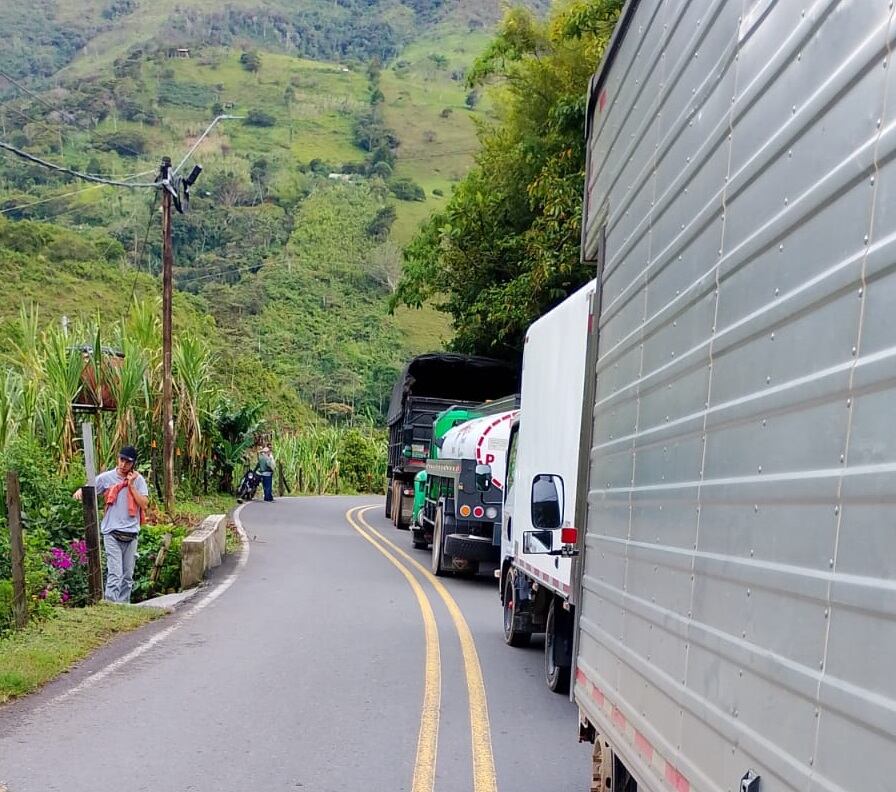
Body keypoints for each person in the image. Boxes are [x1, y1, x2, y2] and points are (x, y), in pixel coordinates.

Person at [74, 445, 149, 603]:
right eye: (122, 460)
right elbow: (90, 488)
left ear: (133, 464)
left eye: (128, 462)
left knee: (127, 576)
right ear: (118, 458)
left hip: (131, 533)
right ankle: (110, 604)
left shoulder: (138, 480)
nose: (123, 464)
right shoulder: (106, 478)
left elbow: (144, 504)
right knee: (115, 573)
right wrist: (81, 491)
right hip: (111, 532)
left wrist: (131, 486)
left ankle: (123, 606)